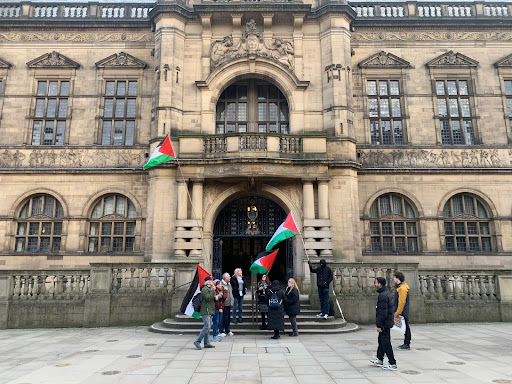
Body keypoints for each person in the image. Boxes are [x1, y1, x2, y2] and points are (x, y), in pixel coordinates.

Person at [369, 277, 397, 371]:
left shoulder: (383, 296)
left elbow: (382, 312)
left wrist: (379, 325)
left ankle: (392, 363)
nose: (375, 284)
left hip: (385, 323)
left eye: (376, 283)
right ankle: (380, 359)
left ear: (380, 284)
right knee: (381, 341)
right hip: (387, 322)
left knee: (386, 342)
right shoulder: (386, 293)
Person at [193, 276, 216, 350]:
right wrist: (213, 291)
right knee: (206, 326)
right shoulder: (204, 289)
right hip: (205, 310)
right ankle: (197, 341)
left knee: (208, 327)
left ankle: (207, 343)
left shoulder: (209, 289)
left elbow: (212, 299)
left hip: (209, 310)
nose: (213, 282)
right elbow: (208, 298)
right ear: (208, 282)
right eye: (212, 280)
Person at [394, 270, 411, 350]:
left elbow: (402, 302)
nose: (393, 279)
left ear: (398, 278)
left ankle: (406, 343)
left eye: (394, 277)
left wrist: (398, 312)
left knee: (406, 327)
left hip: (403, 311)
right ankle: (406, 343)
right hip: (403, 311)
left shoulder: (402, 289)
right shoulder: (401, 287)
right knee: (405, 327)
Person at [220, 272, 234, 336]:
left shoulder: (229, 284)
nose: (230, 277)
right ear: (225, 278)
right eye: (229, 277)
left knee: (228, 318)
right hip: (223, 304)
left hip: (228, 303)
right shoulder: (221, 284)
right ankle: (221, 330)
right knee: (223, 318)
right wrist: (223, 289)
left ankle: (227, 330)